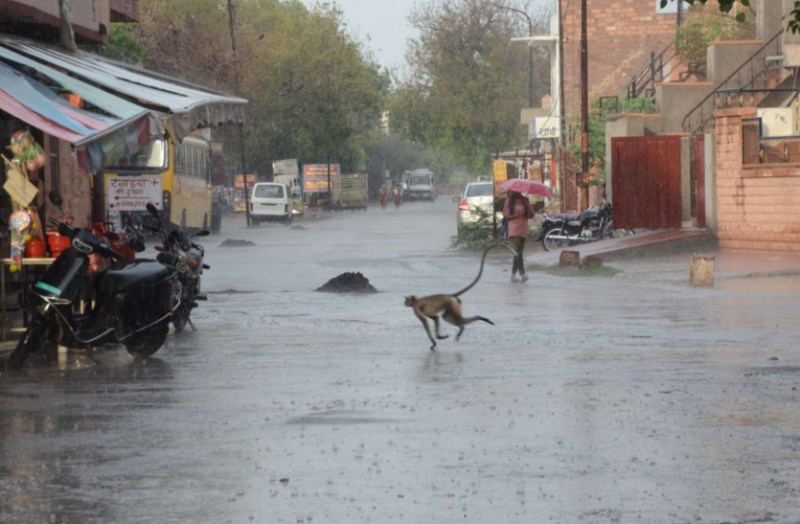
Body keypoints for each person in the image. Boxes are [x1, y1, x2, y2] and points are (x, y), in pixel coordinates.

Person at [502, 190, 535, 282]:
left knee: (519, 252)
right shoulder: (509, 200)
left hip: (523, 229)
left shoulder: (525, 200)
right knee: (517, 251)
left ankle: (513, 275)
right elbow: (506, 214)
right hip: (513, 229)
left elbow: (532, 215)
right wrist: (518, 213)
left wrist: (528, 205)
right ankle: (522, 273)